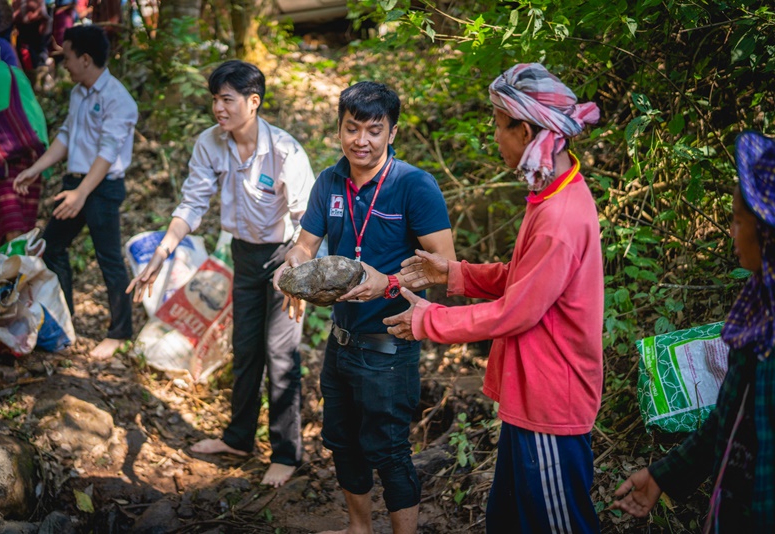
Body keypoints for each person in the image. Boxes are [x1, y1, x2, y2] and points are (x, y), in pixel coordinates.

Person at [383, 63, 603, 533]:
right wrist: (455, 273)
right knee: (506, 520)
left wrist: (430, 321)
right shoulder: (550, 195)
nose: (495, 138)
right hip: (531, 395)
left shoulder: (561, 218)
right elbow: (524, 279)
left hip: (550, 404)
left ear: (524, 131)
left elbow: (517, 312)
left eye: (498, 127)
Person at [273, 81, 456, 534]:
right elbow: (306, 246)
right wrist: (291, 271)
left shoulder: (415, 186)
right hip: (341, 342)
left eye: (374, 130)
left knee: (390, 449)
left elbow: (447, 268)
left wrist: (389, 282)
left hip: (390, 345)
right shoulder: (329, 182)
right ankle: (359, 528)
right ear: (339, 128)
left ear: (392, 132)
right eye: (352, 128)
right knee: (342, 443)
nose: (361, 140)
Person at [127, 60, 316, 488]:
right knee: (245, 348)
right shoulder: (210, 144)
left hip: (288, 258)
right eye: (214, 99)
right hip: (243, 256)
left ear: (253, 102)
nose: (218, 108)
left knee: (280, 354)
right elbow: (192, 204)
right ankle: (239, 439)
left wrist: (300, 271)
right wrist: (160, 256)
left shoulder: (285, 151)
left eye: (226, 99)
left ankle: (287, 454)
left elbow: (309, 220)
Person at [612, 131, 775, 531]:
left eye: (738, 222)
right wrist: (663, 474)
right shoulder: (757, 311)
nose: (732, 235)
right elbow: (730, 413)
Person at [14, 24, 137, 360]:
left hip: (102, 188)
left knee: (108, 258)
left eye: (66, 56)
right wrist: (35, 168)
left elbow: (107, 152)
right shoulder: (78, 92)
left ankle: (120, 332)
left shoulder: (118, 99)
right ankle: (64, 320)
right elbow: (67, 137)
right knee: (52, 247)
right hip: (75, 185)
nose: (62, 63)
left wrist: (83, 193)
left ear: (85, 58)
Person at [0, 28, 47, 241]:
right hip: (36, 153)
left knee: (10, 227)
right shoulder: (16, 72)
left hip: (5, 151)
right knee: (25, 225)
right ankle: (28, 270)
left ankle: (17, 270)